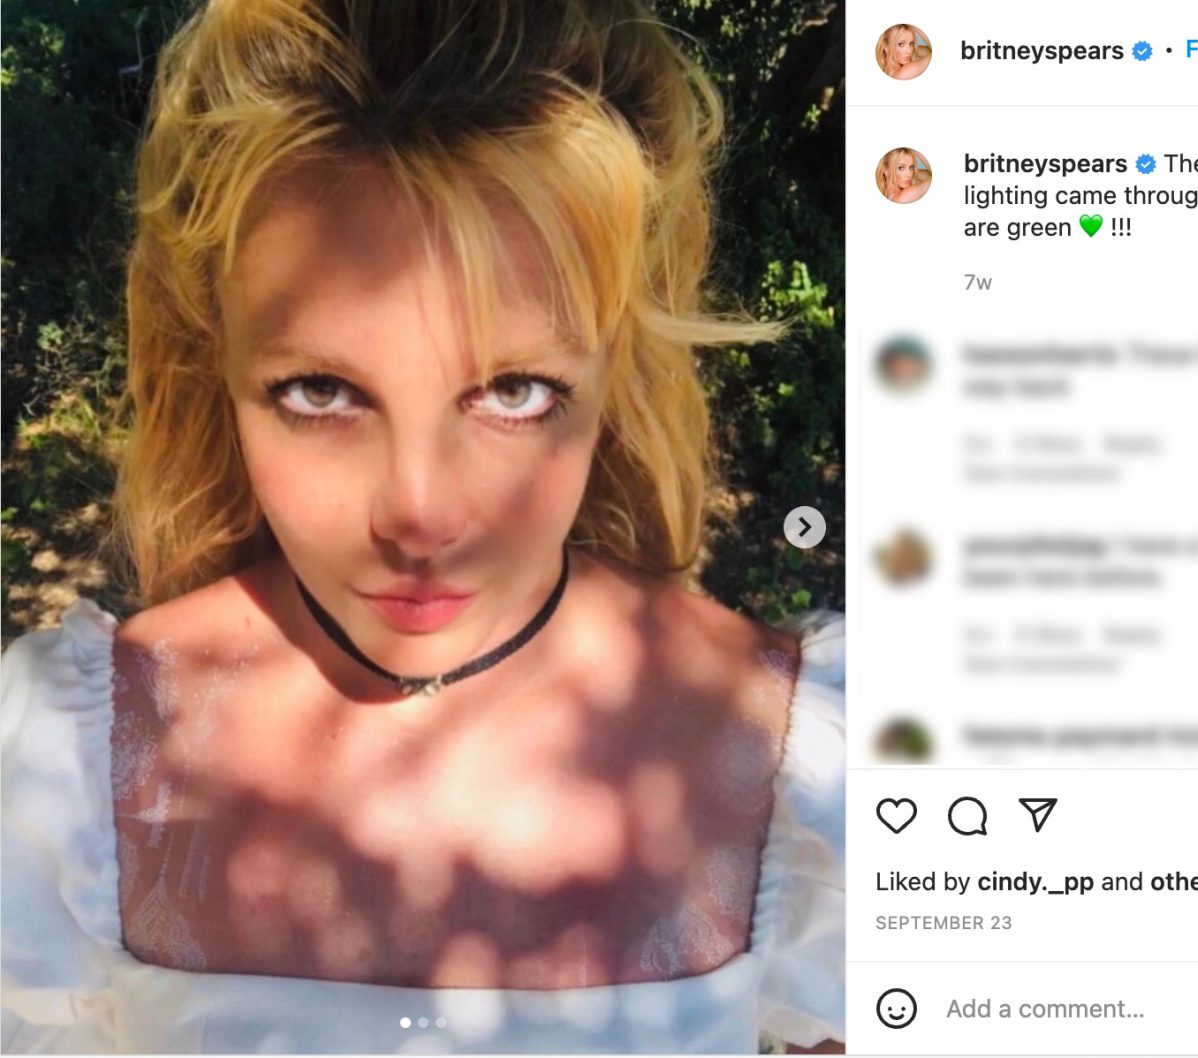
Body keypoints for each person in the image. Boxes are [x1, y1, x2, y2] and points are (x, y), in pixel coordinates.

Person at [0, 0, 844, 1052]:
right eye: (320, 392)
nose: (420, 513)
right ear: (216, 364)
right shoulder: (62, 778)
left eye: (515, 391)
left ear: (615, 372)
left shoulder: (809, 779)